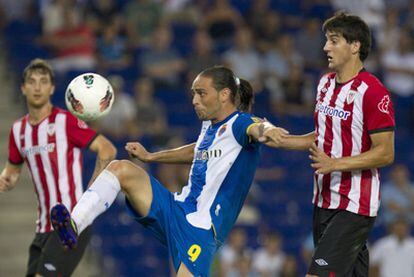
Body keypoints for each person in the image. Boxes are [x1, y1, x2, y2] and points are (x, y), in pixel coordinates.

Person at [50, 65, 287, 276]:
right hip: (176, 207)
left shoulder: (241, 122)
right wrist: (150, 157)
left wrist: (272, 128)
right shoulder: (211, 126)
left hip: (201, 230)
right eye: (194, 93)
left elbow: (259, 127)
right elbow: (195, 151)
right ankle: (74, 225)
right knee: (120, 168)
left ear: (224, 95)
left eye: (201, 93)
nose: (194, 100)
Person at [264, 12, 395, 276]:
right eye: (327, 41)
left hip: (354, 205)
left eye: (334, 40)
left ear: (355, 45)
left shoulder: (373, 91)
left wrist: (335, 163)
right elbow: (324, 135)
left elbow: (385, 152)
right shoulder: (324, 84)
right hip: (323, 200)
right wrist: (282, 140)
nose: (325, 47)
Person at [0, 58, 116, 277]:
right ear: (23, 88)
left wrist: (92, 191)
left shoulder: (66, 121)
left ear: (52, 88)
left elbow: (107, 149)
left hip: (71, 223)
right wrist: (6, 179)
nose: (37, 87)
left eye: (43, 81)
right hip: (42, 228)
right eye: (32, 82)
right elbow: (12, 172)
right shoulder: (18, 130)